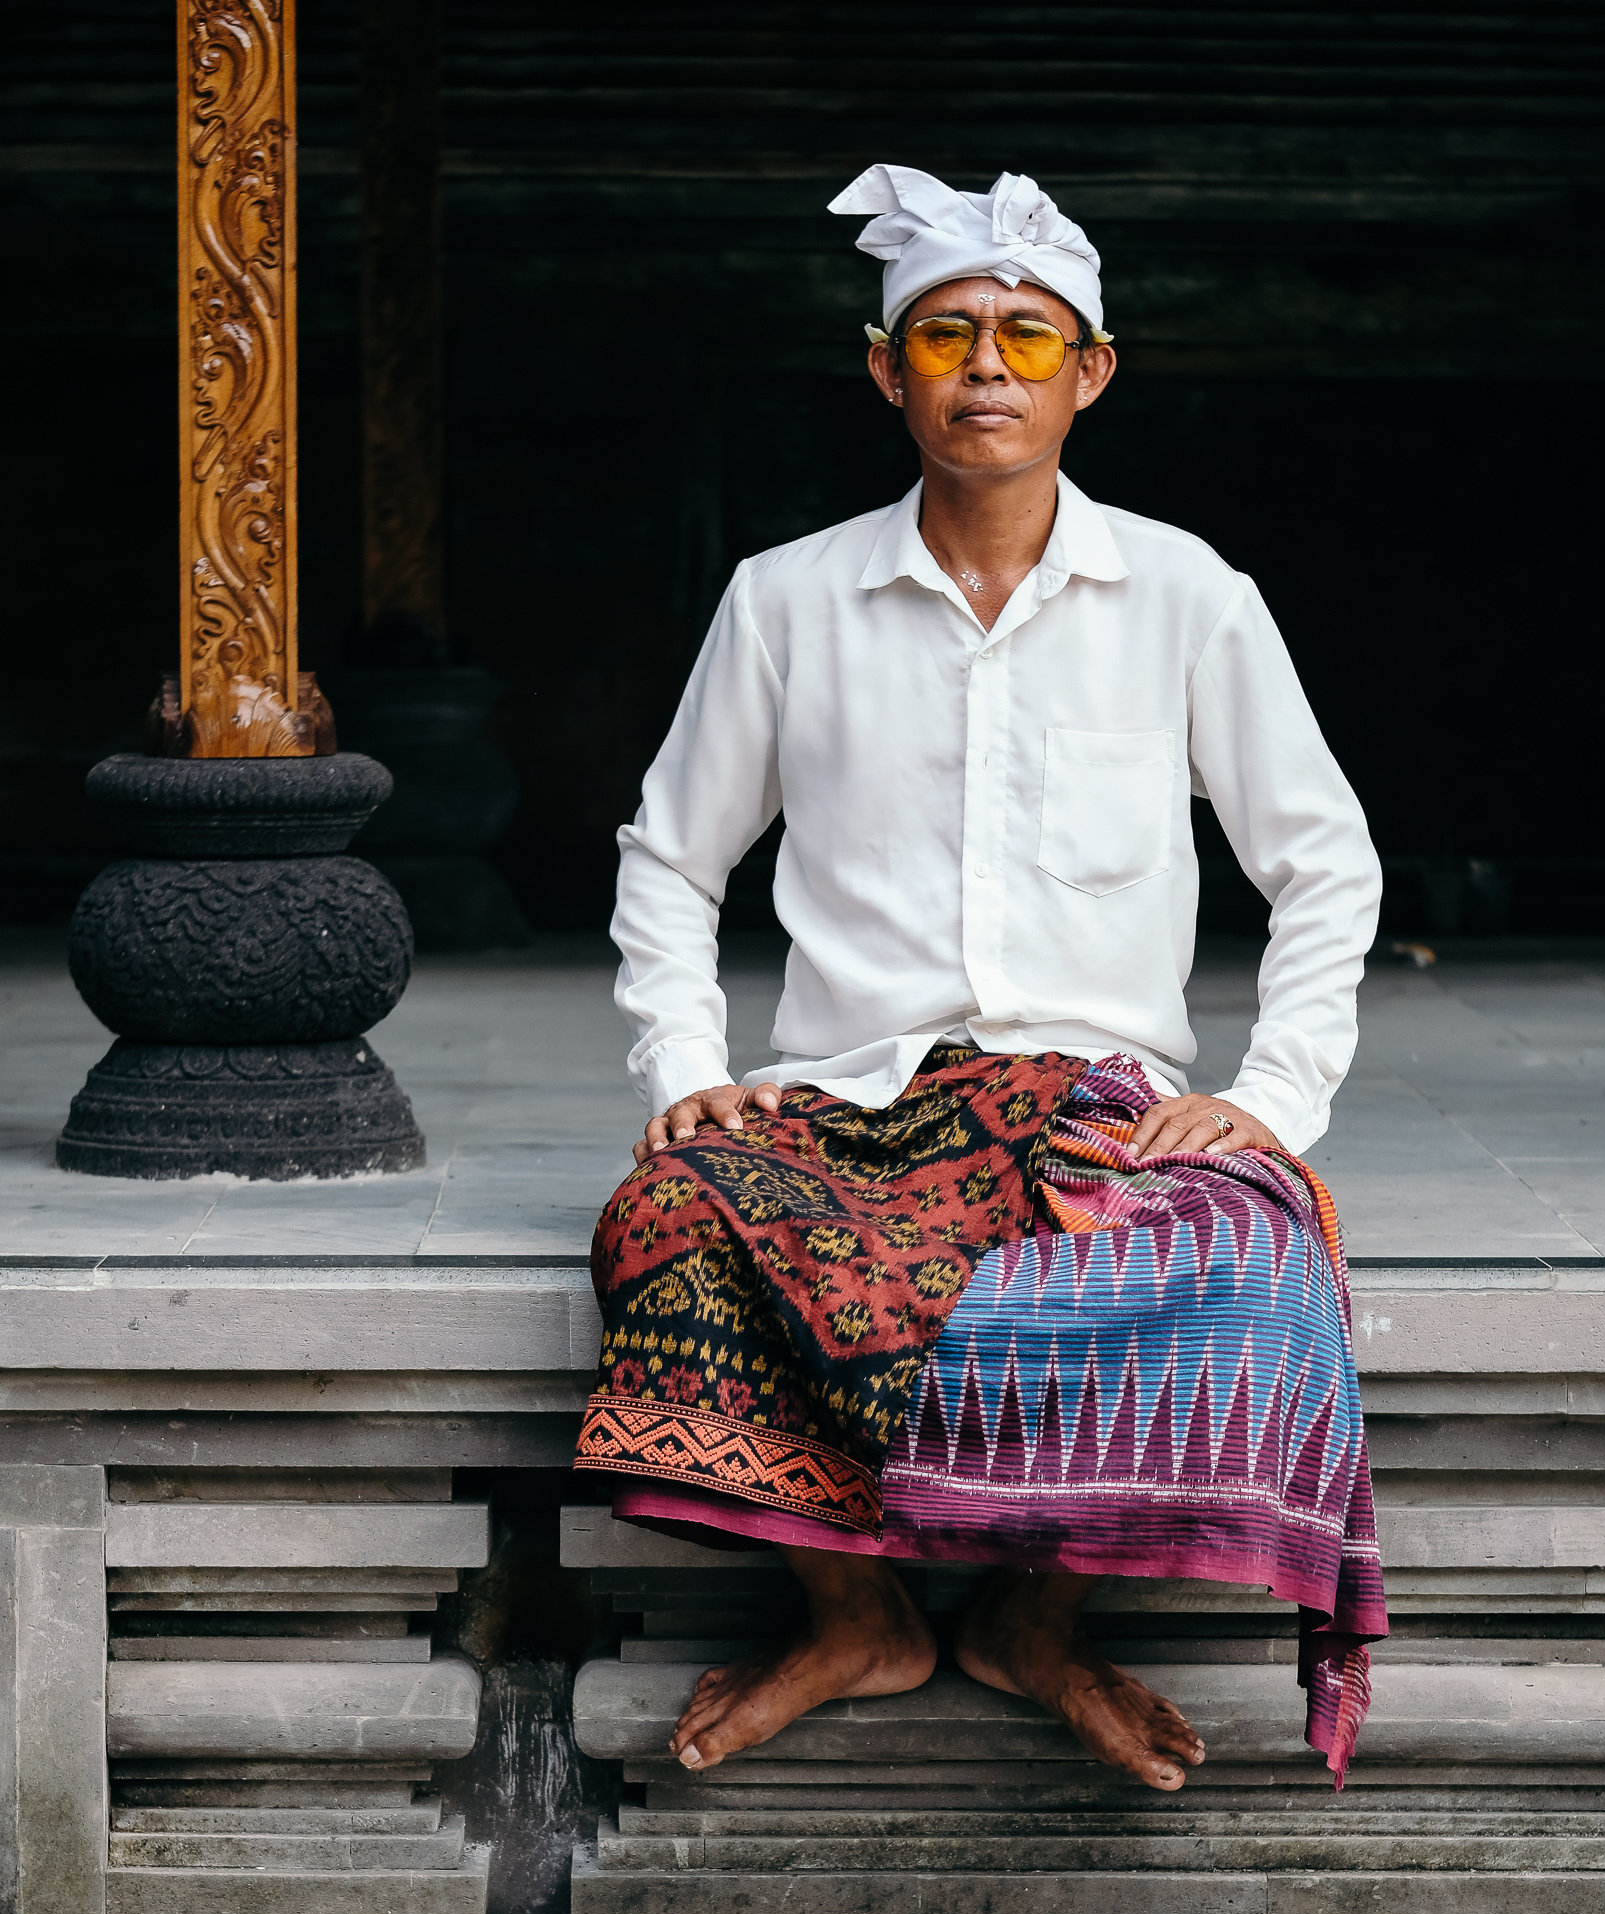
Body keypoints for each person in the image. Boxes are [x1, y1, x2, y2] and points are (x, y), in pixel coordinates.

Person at [577, 163, 1386, 1793]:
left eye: (1028, 336)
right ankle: (857, 1615)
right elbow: (670, 859)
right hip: (847, 1103)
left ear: (1090, 370)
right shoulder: (786, 599)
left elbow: (1327, 863)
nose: (988, 368)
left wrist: (1265, 1099)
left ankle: (1035, 1622)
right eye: (947, 335)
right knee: (667, 1211)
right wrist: (688, 1074)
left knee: (1240, 1250)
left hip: (1096, 1106)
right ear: (889, 371)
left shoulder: (1185, 596)